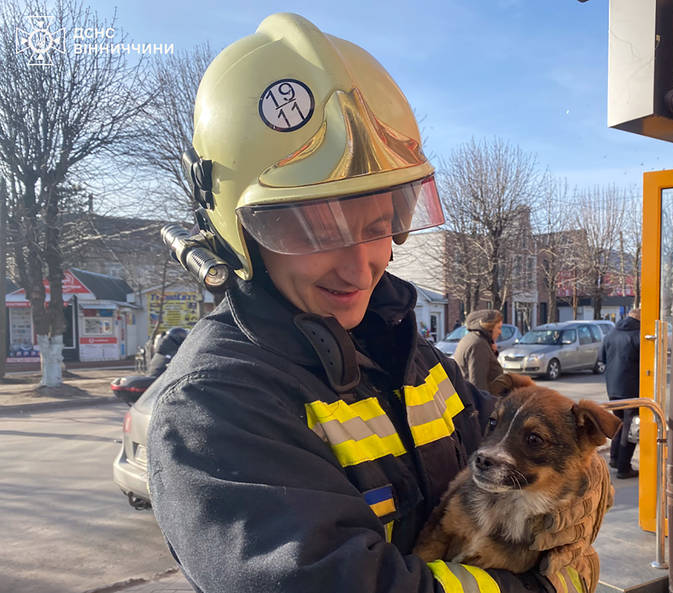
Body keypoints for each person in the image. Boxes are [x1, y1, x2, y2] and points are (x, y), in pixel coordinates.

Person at [145, 13, 608, 593]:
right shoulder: (217, 408)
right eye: (312, 231)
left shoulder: (414, 360)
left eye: (380, 222)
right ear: (239, 233)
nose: (361, 263)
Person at [599, 308, 641, 479]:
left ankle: (615, 459)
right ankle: (624, 467)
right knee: (630, 428)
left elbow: (602, 358)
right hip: (632, 388)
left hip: (613, 388)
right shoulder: (639, 335)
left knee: (620, 424)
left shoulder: (611, 334)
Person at [451, 310, 531, 396]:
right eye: (498, 328)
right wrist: (485, 406)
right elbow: (478, 383)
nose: (500, 332)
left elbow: (486, 369)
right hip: (482, 402)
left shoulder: (472, 339)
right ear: (489, 327)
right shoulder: (479, 345)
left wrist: (492, 352)